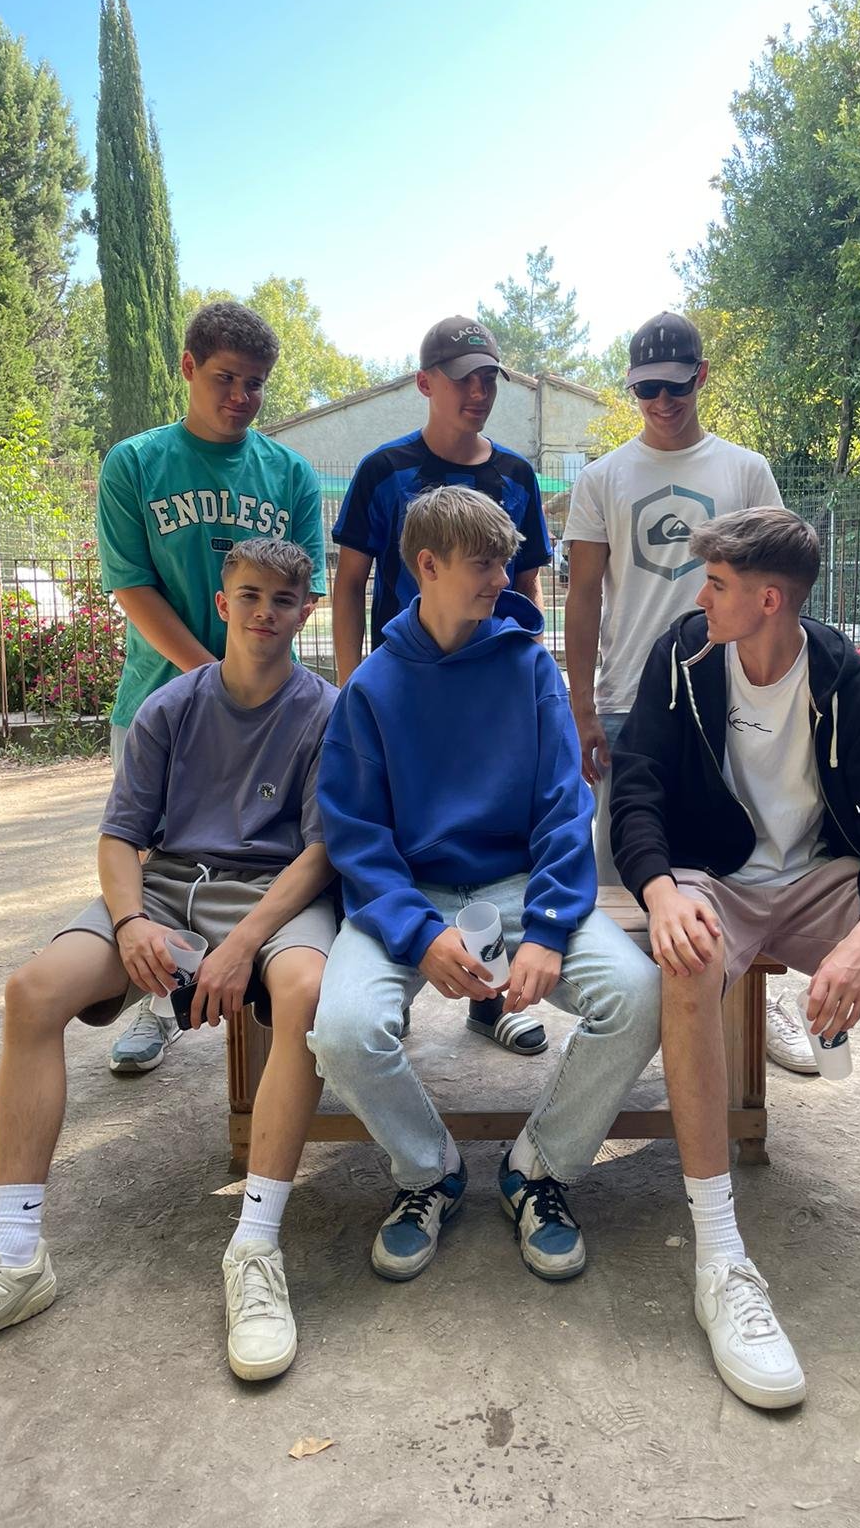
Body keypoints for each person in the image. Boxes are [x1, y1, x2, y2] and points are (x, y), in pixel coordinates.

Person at [0, 540, 337, 1383]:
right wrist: (130, 922)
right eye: (249, 595)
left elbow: (321, 854)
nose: (265, 613)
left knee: (307, 989)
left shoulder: (326, 711)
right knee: (32, 991)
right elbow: (120, 834)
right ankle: (13, 1255)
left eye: (284, 599)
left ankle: (255, 1247)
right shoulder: (171, 707)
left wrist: (243, 945)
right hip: (164, 888)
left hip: (272, 893)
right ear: (222, 603)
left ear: (306, 610)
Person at [610, 507, 860, 1410]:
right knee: (688, 956)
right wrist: (660, 889)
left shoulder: (844, 681)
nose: (699, 599)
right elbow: (635, 789)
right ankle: (721, 1257)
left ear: (769, 600)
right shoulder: (683, 658)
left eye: (716, 585)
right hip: (715, 879)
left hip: (821, 878)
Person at [309, 487, 660, 1284]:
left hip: (519, 886)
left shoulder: (528, 667)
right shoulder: (371, 688)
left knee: (638, 996)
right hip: (408, 898)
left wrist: (547, 927)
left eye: (505, 561)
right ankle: (427, 1170)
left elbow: (564, 808)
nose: (504, 578)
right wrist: (419, 933)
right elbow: (357, 837)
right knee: (344, 1031)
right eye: (484, 564)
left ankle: (538, 1167)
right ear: (428, 567)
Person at [562, 312, 810, 1075]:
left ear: (701, 376)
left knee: (744, 855)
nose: (661, 403)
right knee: (626, 869)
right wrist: (580, 706)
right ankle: (623, 1027)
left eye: (674, 387)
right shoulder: (603, 477)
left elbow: (779, 580)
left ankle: (756, 1002)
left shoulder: (745, 471)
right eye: (646, 391)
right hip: (628, 696)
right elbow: (583, 596)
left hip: (727, 693)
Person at [97, 300, 327, 1075]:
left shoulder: (288, 473)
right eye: (226, 378)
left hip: (264, 708)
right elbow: (132, 585)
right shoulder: (135, 463)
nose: (241, 396)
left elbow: (304, 583)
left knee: (256, 855)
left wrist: (247, 683)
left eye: (255, 383)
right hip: (159, 698)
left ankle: (254, 983)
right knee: (150, 857)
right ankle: (154, 1006)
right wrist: (212, 680)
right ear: (189, 367)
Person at [330, 315, 554, 1058]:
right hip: (408, 691)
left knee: (488, 828)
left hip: (489, 687)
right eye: (464, 379)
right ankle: (384, 994)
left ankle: (492, 1001)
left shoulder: (517, 475)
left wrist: (524, 677)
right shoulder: (383, 470)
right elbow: (350, 581)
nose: (478, 392)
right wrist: (350, 683)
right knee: (397, 833)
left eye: (489, 378)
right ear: (426, 384)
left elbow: (527, 587)